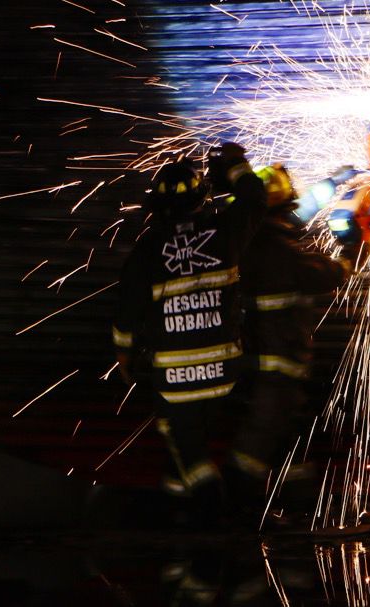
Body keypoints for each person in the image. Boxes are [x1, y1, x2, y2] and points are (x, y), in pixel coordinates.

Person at [111, 143, 266, 521]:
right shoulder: (225, 232)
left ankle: (216, 522)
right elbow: (255, 197)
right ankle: (193, 511)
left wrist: (126, 358)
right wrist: (234, 164)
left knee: (188, 452)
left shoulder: (148, 249)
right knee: (203, 444)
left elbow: (127, 313)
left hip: (175, 381)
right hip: (226, 376)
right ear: (202, 197)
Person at [226, 164, 351, 515]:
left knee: (290, 434)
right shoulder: (278, 248)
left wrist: (335, 181)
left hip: (266, 358)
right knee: (262, 433)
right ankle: (234, 505)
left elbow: (302, 210)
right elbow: (321, 275)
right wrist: (351, 254)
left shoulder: (254, 231)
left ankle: (299, 505)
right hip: (275, 361)